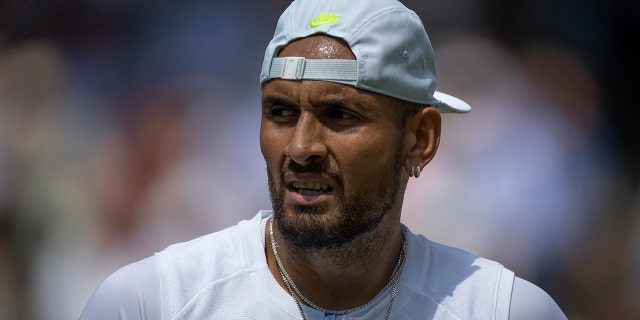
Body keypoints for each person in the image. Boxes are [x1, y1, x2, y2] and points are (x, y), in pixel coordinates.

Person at [80, 0, 567, 319]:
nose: (300, 147)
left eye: (339, 114)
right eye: (281, 112)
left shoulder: (502, 310)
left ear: (420, 139)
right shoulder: (151, 304)